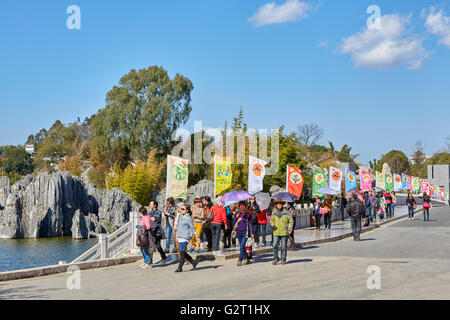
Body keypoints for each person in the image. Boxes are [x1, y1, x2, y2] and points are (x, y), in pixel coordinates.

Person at [174, 204, 199, 273]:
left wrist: (196, 235)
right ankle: (193, 262)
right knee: (183, 252)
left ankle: (180, 267)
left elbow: (192, 227)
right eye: (181, 209)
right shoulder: (181, 216)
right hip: (179, 236)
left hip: (185, 237)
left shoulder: (188, 218)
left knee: (182, 252)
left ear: (187, 210)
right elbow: (178, 226)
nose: (181, 210)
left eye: (183, 209)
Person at [270, 199, 293, 265]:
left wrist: (289, 229)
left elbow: (291, 221)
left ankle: (283, 259)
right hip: (276, 232)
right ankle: (276, 258)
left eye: (280, 204)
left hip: (284, 232)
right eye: (278, 204)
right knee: (274, 245)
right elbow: (271, 220)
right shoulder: (274, 212)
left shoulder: (286, 212)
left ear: (282, 205)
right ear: (276, 205)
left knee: (283, 247)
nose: (279, 205)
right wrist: (272, 224)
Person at [233, 201, 254, 266]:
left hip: (245, 232)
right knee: (242, 246)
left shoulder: (248, 214)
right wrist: (236, 217)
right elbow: (234, 222)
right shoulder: (237, 213)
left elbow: (251, 224)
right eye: (241, 205)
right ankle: (246, 258)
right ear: (239, 207)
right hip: (238, 232)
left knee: (242, 246)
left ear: (245, 206)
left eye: (243, 205)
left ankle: (240, 259)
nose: (242, 206)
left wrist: (252, 233)